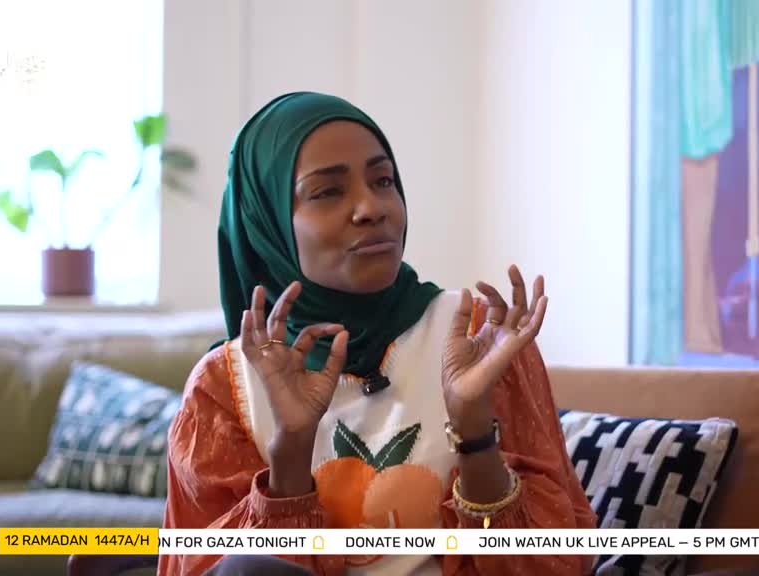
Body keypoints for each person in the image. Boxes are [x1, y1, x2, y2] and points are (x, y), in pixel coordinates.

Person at [159, 92, 596, 576]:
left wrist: (474, 431)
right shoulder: (224, 386)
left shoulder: (479, 339)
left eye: (383, 180)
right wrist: (290, 455)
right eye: (327, 192)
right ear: (267, 224)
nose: (372, 208)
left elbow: (559, 564)